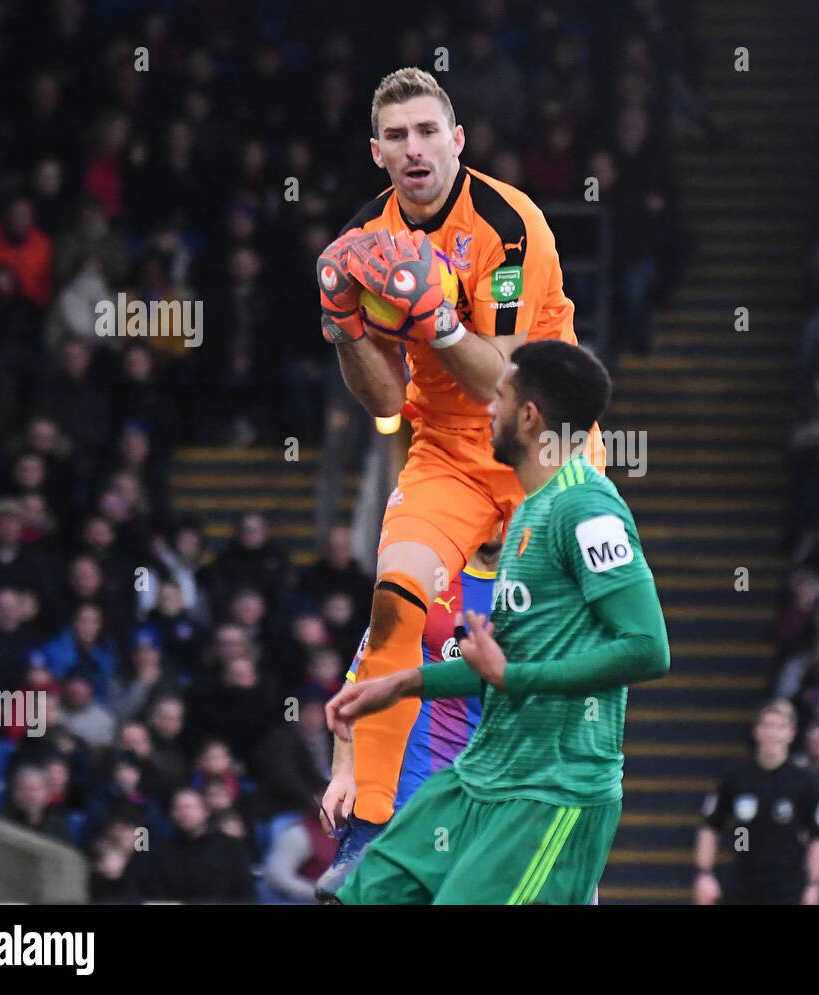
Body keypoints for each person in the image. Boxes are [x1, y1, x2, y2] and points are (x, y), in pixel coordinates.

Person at [315, 67, 606, 838]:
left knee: (560, 639)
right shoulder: (365, 242)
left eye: (427, 131)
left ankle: (561, 828)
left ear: (458, 140)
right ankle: (369, 832)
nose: (415, 148)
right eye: (397, 136)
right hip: (444, 451)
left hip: (546, 443)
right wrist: (346, 328)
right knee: (393, 601)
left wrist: (436, 320)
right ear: (376, 152)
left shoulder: (512, 224)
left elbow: (508, 386)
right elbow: (382, 401)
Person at [326, 342, 667, 904]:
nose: (485, 408)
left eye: (498, 396)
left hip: (552, 788)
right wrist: (401, 682)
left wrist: (515, 677)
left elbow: (649, 649)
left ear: (529, 416)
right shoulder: (526, 512)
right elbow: (497, 663)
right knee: (360, 896)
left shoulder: (587, 509)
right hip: (480, 778)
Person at [313, 541, 498, 901]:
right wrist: (343, 772)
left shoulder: (539, 583)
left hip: (506, 788)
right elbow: (361, 680)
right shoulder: (424, 578)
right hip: (419, 787)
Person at [695, 699, 819, 905]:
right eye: (767, 725)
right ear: (756, 731)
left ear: (791, 733)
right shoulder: (737, 778)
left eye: (780, 727)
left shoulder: (805, 781)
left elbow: (818, 838)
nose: (772, 733)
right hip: (744, 881)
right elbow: (710, 827)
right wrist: (704, 874)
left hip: (789, 885)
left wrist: (814, 885)